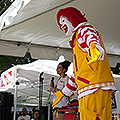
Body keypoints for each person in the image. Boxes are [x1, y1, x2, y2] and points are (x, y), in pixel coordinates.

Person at [52, 7, 116, 120]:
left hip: (94, 87)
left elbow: (90, 37)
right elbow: (78, 73)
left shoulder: (83, 29)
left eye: (63, 20)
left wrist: (94, 47)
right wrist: (63, 92)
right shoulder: (76, 40)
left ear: (72, 18)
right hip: (88, 89)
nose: (61, 25)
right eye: (59, 23)